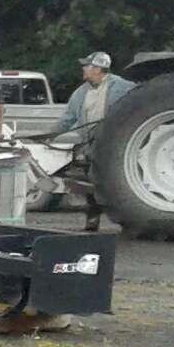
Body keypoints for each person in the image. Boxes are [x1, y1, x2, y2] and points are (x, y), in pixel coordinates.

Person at [39, 53, 135, 231]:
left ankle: (127, 220)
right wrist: (49, 135)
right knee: (90, 182)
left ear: (98, 69)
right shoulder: (81, 93)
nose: (83, 69)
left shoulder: (123, 87)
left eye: (87, 66)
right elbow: (67, 119)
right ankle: (93, 219)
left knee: (118, 182)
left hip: (116, 145)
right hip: (91, 145)